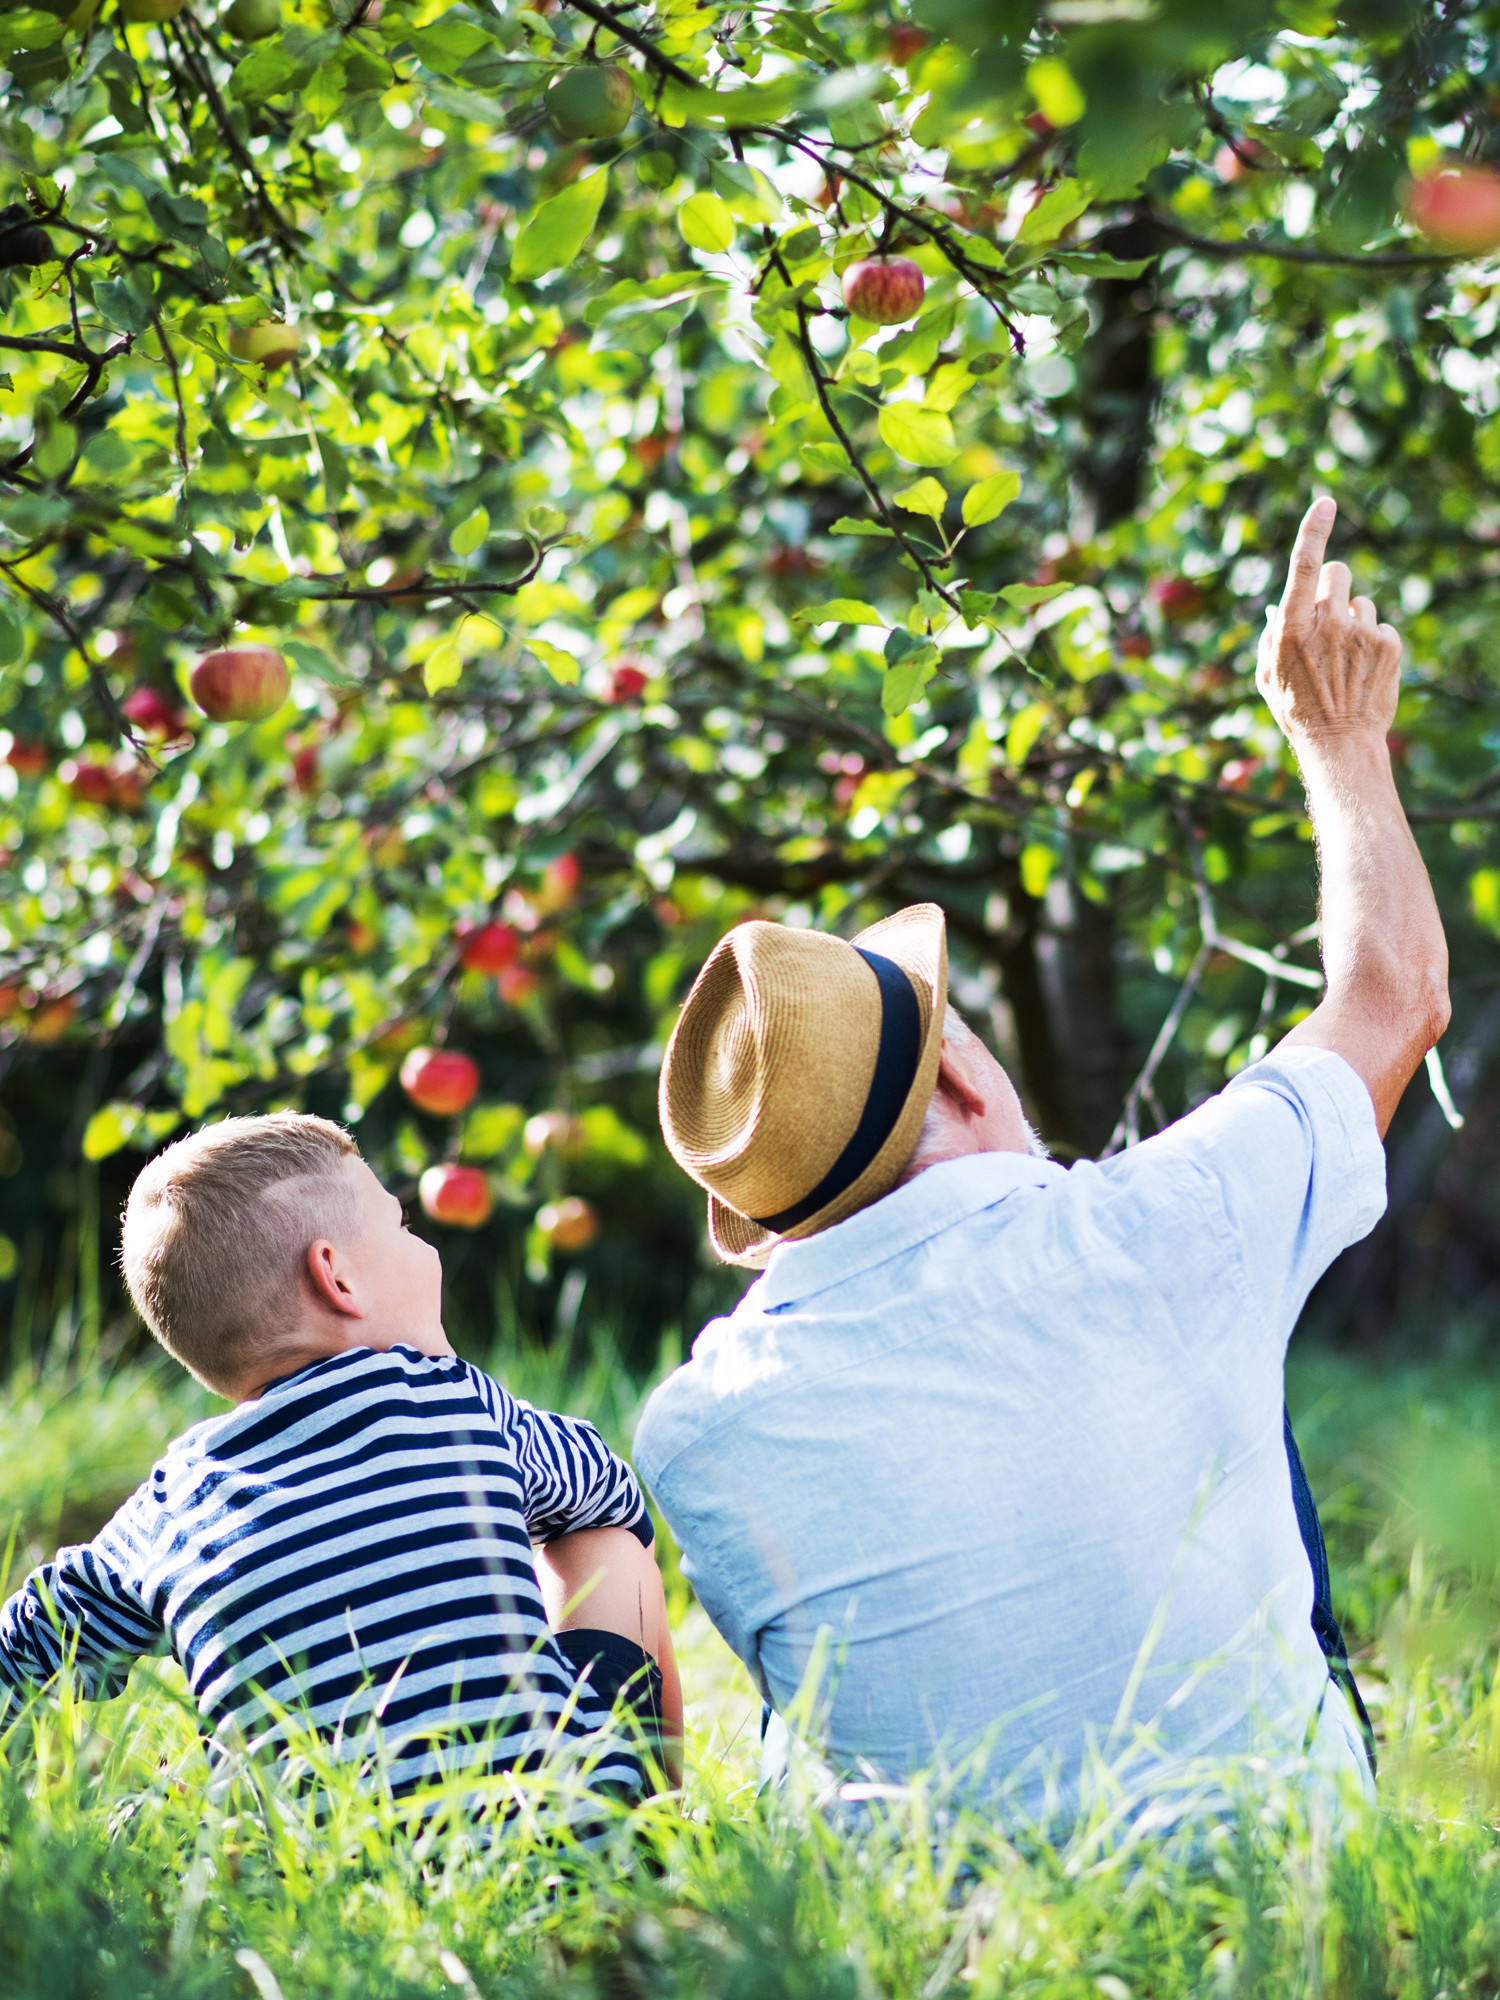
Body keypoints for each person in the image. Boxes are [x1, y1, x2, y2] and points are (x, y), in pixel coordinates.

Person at [634, 496, 1449, 1829]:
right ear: (960, 1077)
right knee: (1235, 1360)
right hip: (1281, 1900)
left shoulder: (694, 1428)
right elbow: (1395, 991)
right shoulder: (1170, 1225)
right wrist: (1339, 736)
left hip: (940, 1949)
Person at [0, 1112, 682, 1813]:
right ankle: (662, 1827)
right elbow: (606, 1492)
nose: (427, 1248)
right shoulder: (450, 1398)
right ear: (335, 1276)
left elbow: (25, 1648)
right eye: (404, 1227)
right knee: (611, 1549)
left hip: (298, 1896)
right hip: (561, 1849)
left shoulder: (168, 1508)